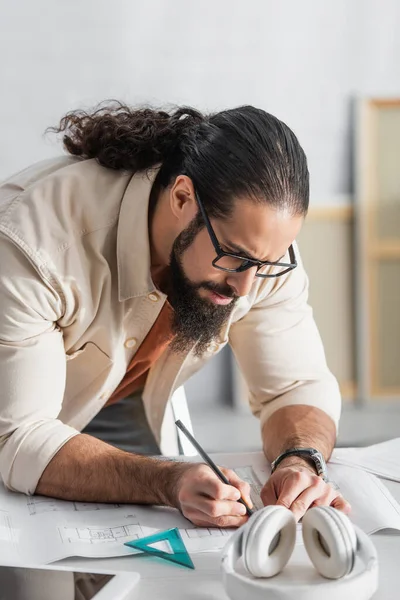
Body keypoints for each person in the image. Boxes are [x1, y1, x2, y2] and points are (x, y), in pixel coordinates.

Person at [0, 102, 350, 599]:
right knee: (36, 587)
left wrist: (300, 459)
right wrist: (166, 481)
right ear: (182, 196)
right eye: (234, 257)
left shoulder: (258, 252)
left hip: (119, 398)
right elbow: (19, 436)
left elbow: (296, 384)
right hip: (14, 409)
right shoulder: (33, 241)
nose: (247, 287)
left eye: (265, 265)